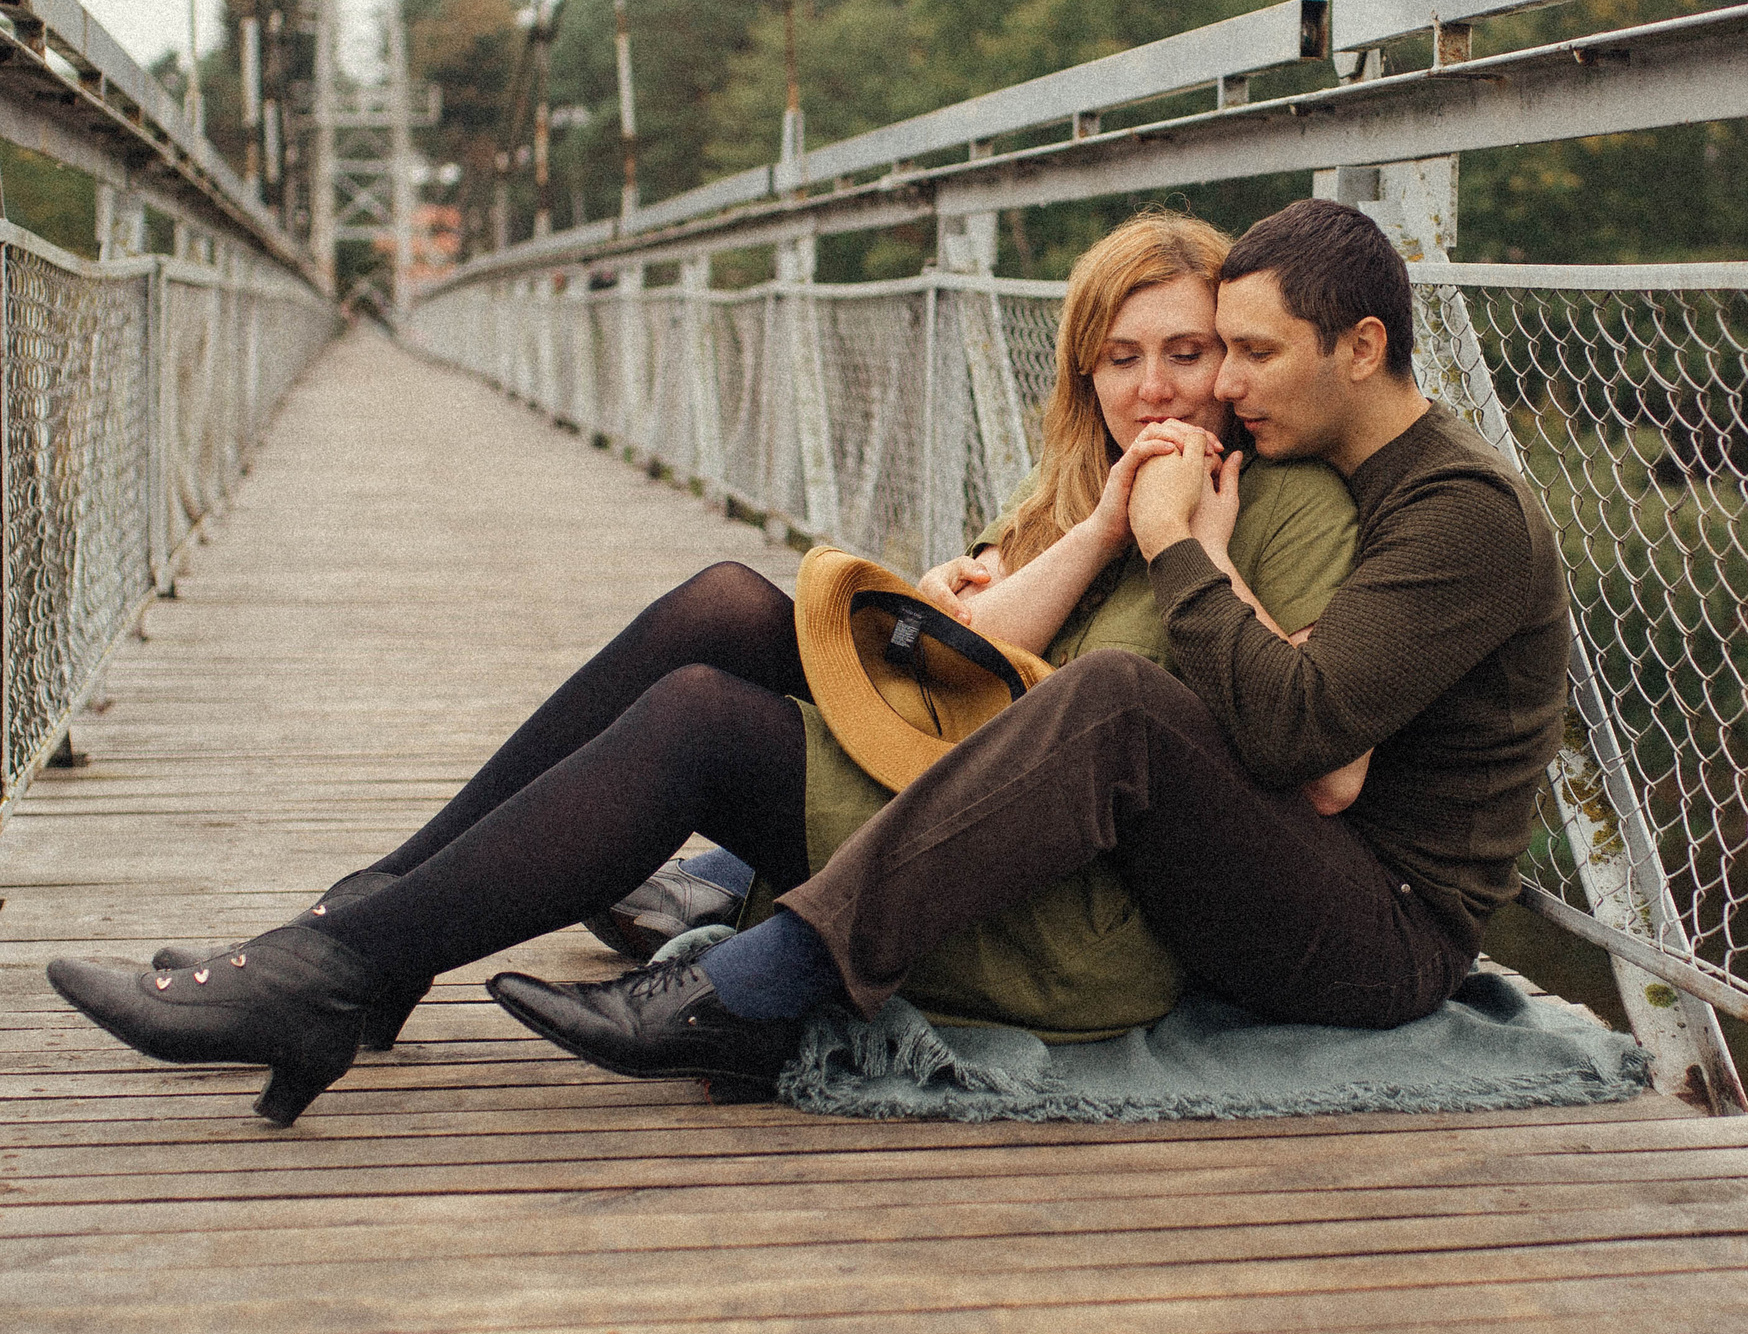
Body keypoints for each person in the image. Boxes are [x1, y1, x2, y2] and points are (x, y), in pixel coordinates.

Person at [45, 211, 1363, 1124]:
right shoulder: (1100, 485)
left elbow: (1288, 751)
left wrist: (1194, 551)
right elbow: (998, 656)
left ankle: (348, 962)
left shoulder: (1284, 505)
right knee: (728, 603)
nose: (1155, 388)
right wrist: (1087, 529)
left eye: (1190, 352)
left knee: (697, 721)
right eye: (1120, 358)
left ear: (1246, 356)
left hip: (1067, 912)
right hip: (961, 808)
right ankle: (359, 932)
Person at [492, 197, 1572, 1083]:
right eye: (1215, 350)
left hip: (1380, 932)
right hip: (1277, 861)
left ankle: (761, 977)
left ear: (1362, 346)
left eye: (1244, 352)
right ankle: (556, 898)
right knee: (741, 614)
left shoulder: (1459, 510)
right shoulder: (1312, 464)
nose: (1221, 386)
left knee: (1114, 697)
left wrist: (1176, 543)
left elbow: (1319, 764)